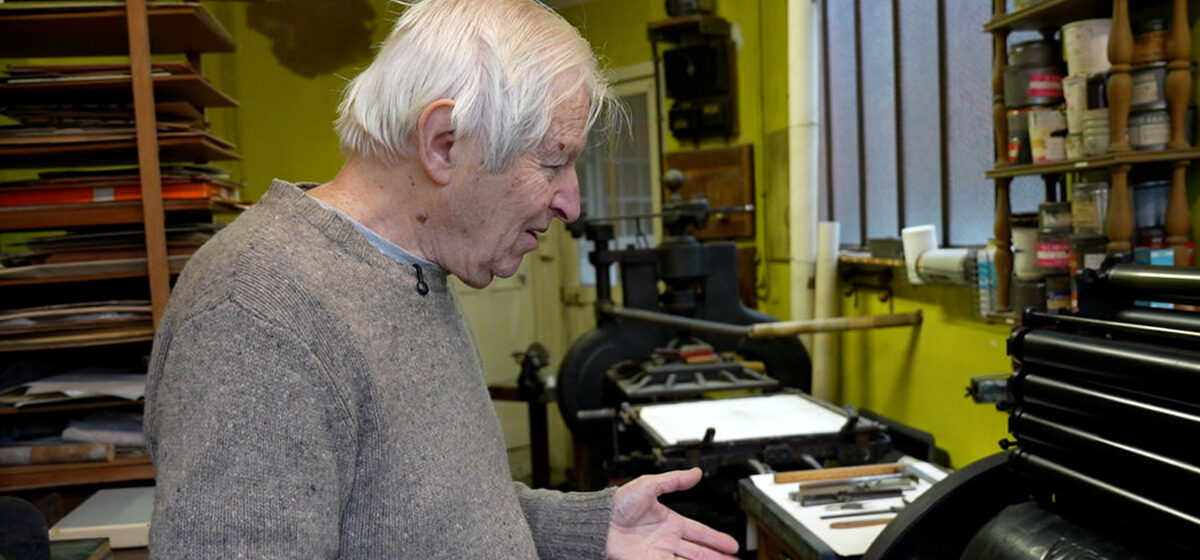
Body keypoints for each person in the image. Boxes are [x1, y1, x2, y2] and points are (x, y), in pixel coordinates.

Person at [143, 0, 740, 558]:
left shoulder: (411, 275)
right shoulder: (255, 318)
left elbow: (433, 516)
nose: (571, 202)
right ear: (443, 144)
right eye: (553, 162)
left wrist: (588, 527)